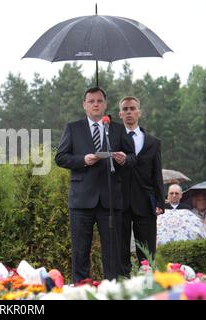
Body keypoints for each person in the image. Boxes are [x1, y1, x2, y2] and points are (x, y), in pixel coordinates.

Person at [55, 87, 135, 283]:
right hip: (82, 200)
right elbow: (61, 157)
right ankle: (81, 291)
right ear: (84, 105)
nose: (96, 104)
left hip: (110, 199)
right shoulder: (73, 128)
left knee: (112, 253)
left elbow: (133, 158)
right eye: (91, 101)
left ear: (105, 105)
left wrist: (124, 159)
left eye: (99, 101)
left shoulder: (116, 129)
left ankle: (112, 290)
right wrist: (83, 159)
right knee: (80, 252)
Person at [118, 96, 165, 277]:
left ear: (139, 112)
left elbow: (156, 173)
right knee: (120, 249)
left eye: (132, 108)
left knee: (146, 250)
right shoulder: (114, 139)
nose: (129, 112)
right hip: (119, 201)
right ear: (120, 114)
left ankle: (147, 287)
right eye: (125, 109)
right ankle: (122, 286)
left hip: (145, 202)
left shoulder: (153, 142)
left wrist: (160, 201)